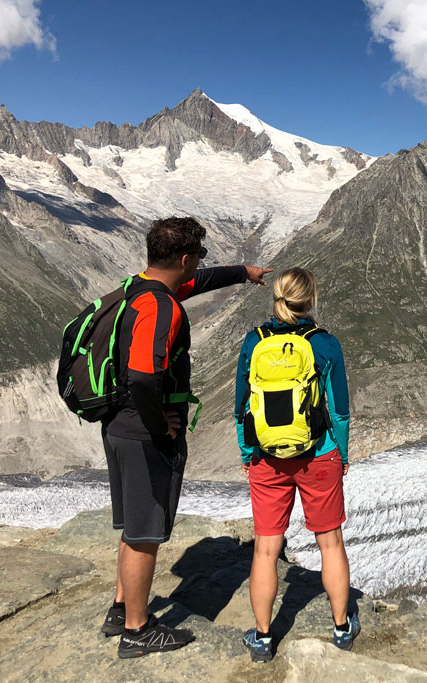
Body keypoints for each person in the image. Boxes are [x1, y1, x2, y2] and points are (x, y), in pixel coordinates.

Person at [99, 216, 272, 659]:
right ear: (184, 259)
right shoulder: (161, 308)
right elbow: (143, 375)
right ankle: (137, 631)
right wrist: (161, 427)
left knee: (133, 527)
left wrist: (244, 272)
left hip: (119, 425)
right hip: (144, 433)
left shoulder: (137, 289)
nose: (198, 265)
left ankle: (121, 609)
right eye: (197, 257)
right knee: (145, 533)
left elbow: (201, 282)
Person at [235, 267, 356, 663]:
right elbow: (340, 411)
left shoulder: (254, 341)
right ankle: (341, 627)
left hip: (267, 458)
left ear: (277, 297)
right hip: (318, 455)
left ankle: (263, 637)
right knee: (330, 542)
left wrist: (248, 453)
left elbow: (241, 407)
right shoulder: (325, 343)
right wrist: (342, 454)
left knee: (266, 549)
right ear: (310, 299)